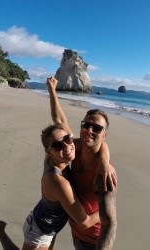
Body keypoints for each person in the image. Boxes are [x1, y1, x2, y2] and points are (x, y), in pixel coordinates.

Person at [0, 124, 101, 250]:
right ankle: (0, 231)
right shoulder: (59, 182)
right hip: (40, 232)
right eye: (57, 146)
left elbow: (98, 143)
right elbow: (85, 223)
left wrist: (105, 160)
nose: (66, 147)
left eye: (68, 139)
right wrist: (108, 210)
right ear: (49, 151)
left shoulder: (52, 159)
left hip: (43, 222)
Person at [47, 77, 117, 250]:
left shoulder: (104, 173)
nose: (89, 130)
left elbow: (110, 222)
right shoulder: (75, 148)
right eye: (86, 125)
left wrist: (104, 161)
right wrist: (52, 91)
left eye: (97, 128)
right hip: (76, 232)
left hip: (93, 242)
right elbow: (60, 122)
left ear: (104, 135)